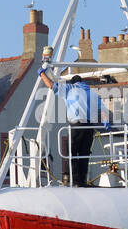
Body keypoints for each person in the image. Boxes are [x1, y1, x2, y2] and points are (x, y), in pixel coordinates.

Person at [39, 48, 111, 187]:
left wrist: (42, 73)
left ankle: (74, 180)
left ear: (73, 82)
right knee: (84, 154)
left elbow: (50, 85)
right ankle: (82, 181)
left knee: (72, 153)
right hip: (89, 127)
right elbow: (103, 111)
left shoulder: (69, 89)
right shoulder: (91, 92)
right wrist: (106, 122)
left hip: (76, 125)